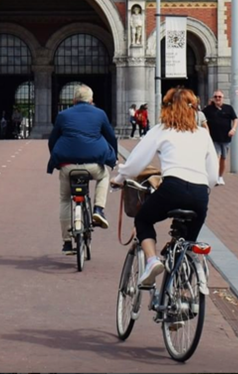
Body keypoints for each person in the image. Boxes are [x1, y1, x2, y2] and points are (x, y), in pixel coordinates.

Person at [113, 87, 218, 290]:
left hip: (173, 188)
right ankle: (184, 292)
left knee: (143, 220)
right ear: (194, 109)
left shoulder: (161, 130)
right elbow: (213, 176)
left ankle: (152, 261)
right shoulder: (203, 135)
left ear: (166, 108)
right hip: (200, 194)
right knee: (188, 243)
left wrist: (120, 178)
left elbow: (136, 162)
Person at [47, 83, 118, 254]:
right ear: (91, 100)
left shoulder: (63, 115)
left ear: (74, 100)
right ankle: (98, 208)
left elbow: (52, 140)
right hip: (94, 164)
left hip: (68, 166)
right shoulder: (100, 113)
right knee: (104, 176)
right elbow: (111, 137)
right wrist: (113, 156)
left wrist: (57, 160)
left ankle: (66, 241)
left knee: (65, 199)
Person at [203, 90, 238, 185]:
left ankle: (220, 176)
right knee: (216, 157)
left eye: (219, 97)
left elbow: (235, 119)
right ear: (213, 98)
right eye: (215, 97)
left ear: (223, 98)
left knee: (223, 158)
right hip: (213, 138)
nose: (217, 98)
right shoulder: (208, 109)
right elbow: (202, 119)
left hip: (226, 138)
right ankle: (214, 177)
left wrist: (234, 129)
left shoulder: (228, 108)